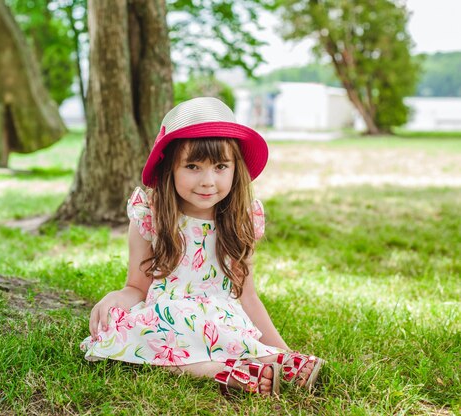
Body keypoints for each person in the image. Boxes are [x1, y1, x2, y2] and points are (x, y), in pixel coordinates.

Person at [80, 97, 325, 397]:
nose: (208, 181)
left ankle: (275, 361)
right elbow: (137, 287)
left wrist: (286, 350)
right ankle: (227, 371)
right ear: (170, 167)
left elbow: (247, 296)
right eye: (193, 166)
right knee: (121, 327)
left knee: (219, 336)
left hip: (219, 319)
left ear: (236, 168)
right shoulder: (151, 215)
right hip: (167, 317)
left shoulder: (240, 219)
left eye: (221, 166)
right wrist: (117, 297)